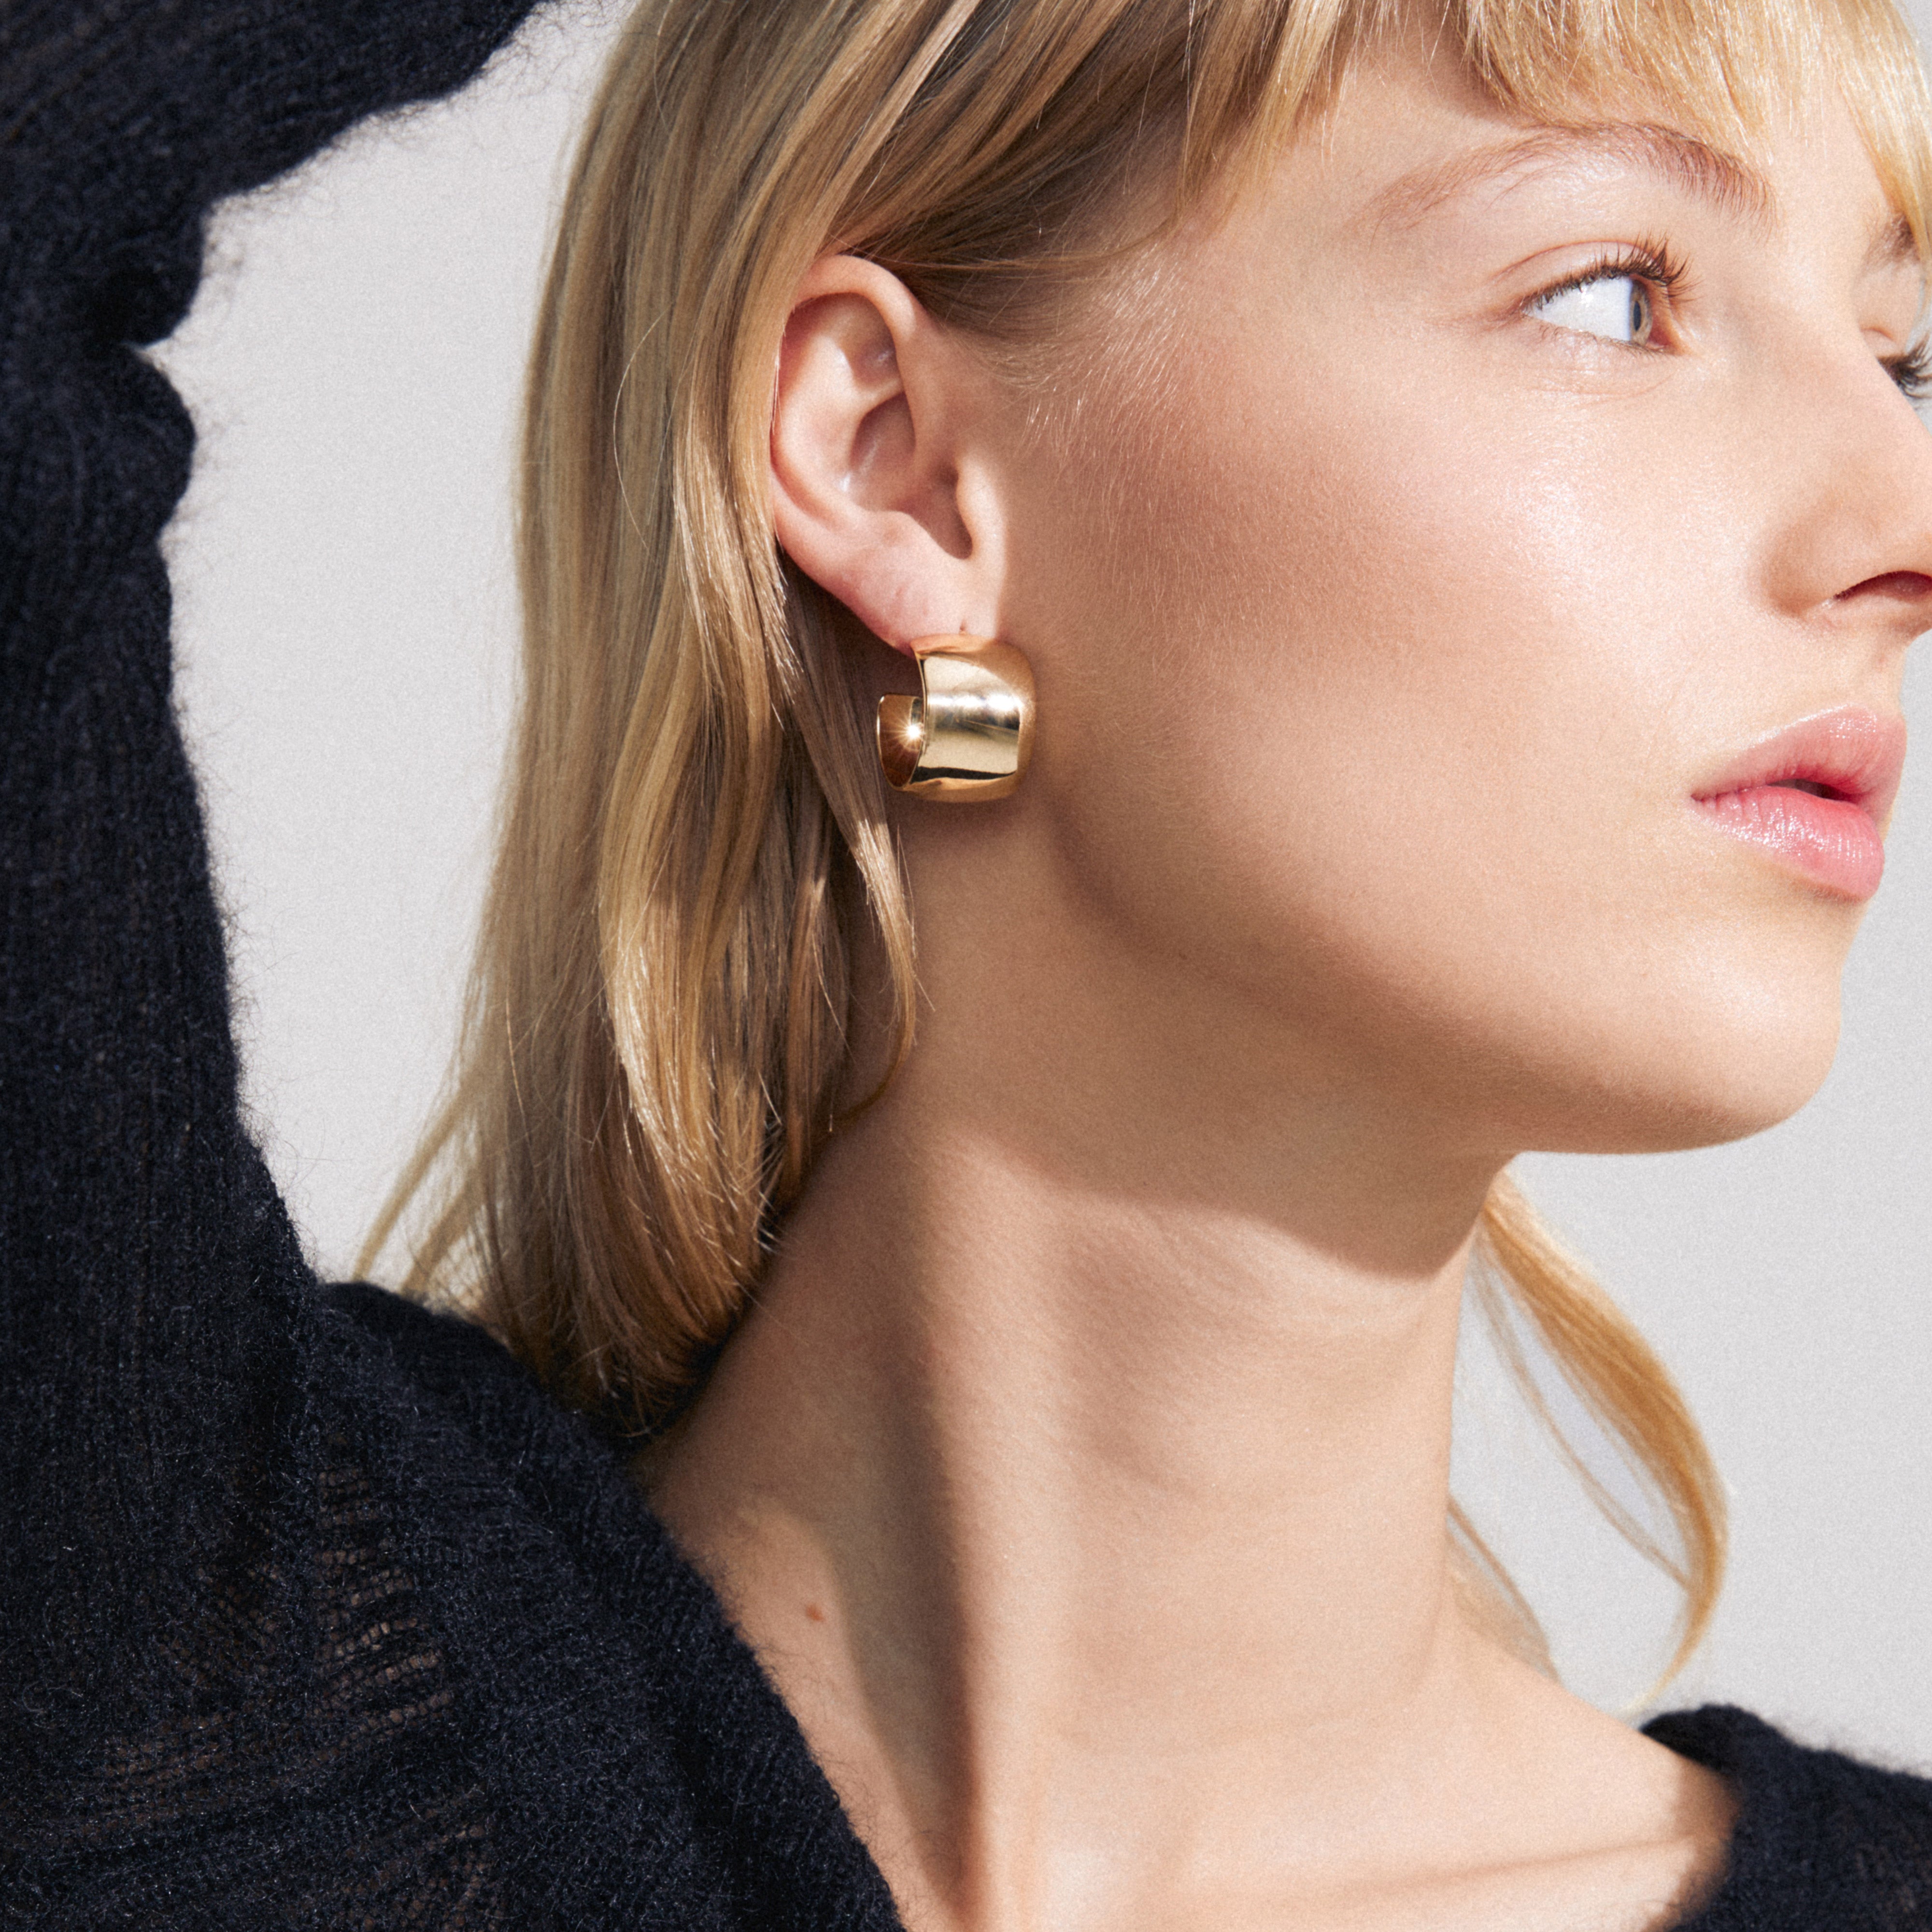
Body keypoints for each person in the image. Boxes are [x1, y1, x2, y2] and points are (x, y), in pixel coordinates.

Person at [7, 0, 1932, 1923]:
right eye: (1611, 296)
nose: (1903, 523)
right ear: (898, 463)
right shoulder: (181, 1685)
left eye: (1900, 354)